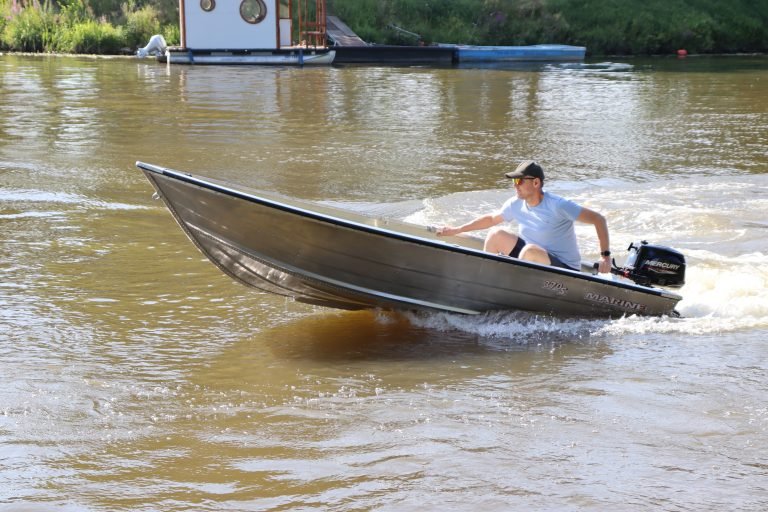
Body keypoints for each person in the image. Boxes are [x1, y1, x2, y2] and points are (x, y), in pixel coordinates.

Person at [437, 160, 612, 273]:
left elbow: (598, 219)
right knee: (495, 234)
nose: (515, 186)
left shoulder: (559, 205)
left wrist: (605, 256)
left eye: (520, 181)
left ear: (536, 183)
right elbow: (491, 220)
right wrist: (457, 230)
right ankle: (487, 280)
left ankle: (512, 283)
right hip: (531, 259)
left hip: (565, 268)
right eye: (514, 181)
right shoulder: (515, 203)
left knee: (529, 251)